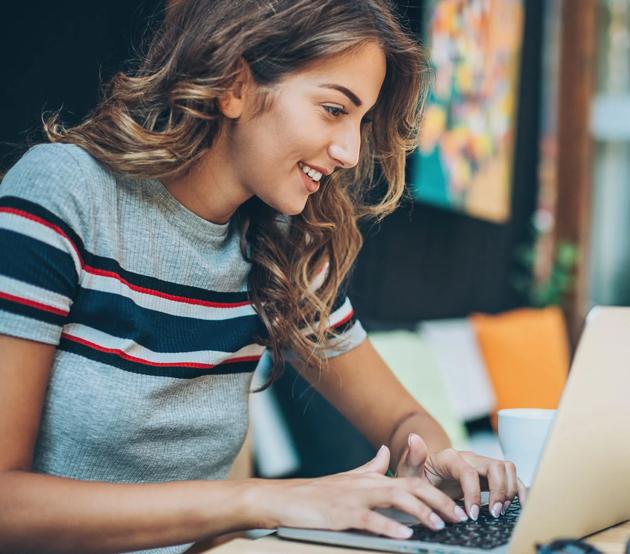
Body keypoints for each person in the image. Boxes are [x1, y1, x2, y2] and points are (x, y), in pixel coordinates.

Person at [0, 0, 526, 552]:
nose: (350, 151)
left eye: (361, 120)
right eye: (332, 109)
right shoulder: (64, 195)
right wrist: (262, 500)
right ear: (234, 85)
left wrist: (438, 464)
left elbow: (405, 420)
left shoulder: (280, 247)